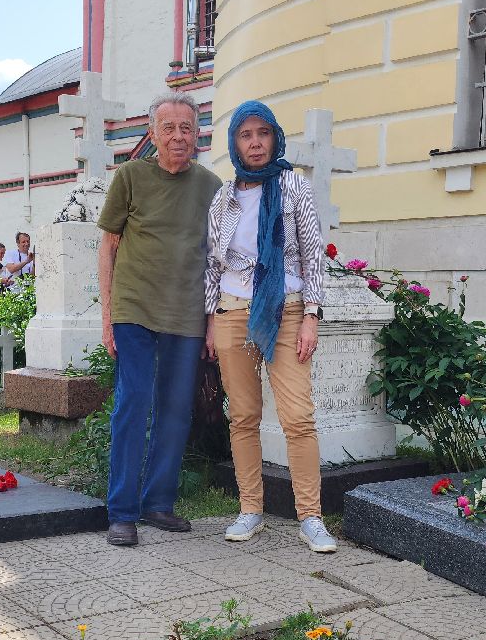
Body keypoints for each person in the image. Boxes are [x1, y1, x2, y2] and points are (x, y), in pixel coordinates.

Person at [204, 101, 336, 553]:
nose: (255, 143)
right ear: (234, 143)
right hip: (231, 313)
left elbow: (313, 254)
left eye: (263, 133)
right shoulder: (223, 197)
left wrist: (312, 315)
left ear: (275, 137)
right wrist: (211, 320)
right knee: (243, 417)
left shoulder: (294, 186)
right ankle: (251, 509)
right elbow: (211, 264)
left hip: (288, 311)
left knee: (298, 417)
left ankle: (311, 517)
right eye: (246, 134)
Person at [97, 90, 220, 546]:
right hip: (135, 310)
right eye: (168, 128)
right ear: (152, 133)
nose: (177, 136)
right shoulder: (130, 176)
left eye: (186, 128)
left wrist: (212, 321)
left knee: (175, 409)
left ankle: (158, 503)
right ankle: (122, 511)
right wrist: (108, 316)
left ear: (198, 135)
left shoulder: (211, 187)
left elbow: (217, 259)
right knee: (133, 404)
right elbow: (108, 247)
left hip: (187, 315)